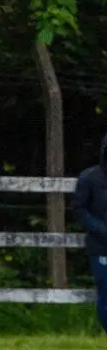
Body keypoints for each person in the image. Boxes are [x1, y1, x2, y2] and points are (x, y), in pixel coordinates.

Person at [72, 135, 107, 334]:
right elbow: (78, 208)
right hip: (101, 245)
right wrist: (99, 229)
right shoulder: (89, 178)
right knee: (105, 295)